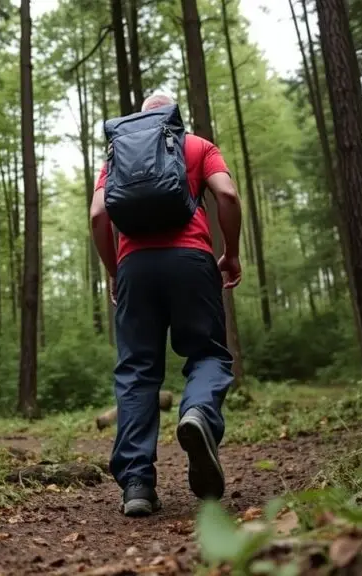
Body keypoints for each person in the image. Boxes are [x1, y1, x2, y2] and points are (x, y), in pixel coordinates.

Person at [89, 94, 243, 517]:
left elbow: (99, 215)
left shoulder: (118, 152)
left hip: (135, 266)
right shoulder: (196, 145)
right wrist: (230, 251)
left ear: (141, 118)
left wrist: (114, 271)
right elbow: (226, 195)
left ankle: (137, 484)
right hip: (192, 261)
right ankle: (198, 414)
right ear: (174, 116)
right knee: (207, 352)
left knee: (137, 370)